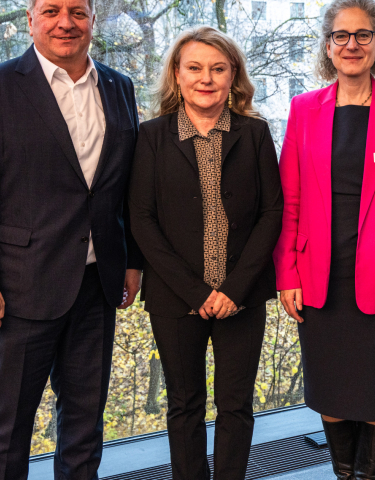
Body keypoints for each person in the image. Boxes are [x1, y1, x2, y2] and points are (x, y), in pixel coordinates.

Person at [0, 0, 143, 479]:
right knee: (8, 428)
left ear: (93, 19)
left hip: (97, 286)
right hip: (20, 289)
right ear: (30, 20)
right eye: (51, 12)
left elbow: (126, 187)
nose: (65, 23)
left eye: (77, 12)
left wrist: (132, 260)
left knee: (84, 426)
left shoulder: (119, 88)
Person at [274, 0, 375, 480]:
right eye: (341, 35)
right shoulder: (303, 109)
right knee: (333, 394)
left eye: (363, 35)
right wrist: (287, 273)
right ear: (328, 45)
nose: (352, 45)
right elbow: (289, 200)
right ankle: (346, 476)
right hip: (320, 275)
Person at [128, 26, 282, 480]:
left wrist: (235, 289)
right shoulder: (151, 136)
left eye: (218, 69)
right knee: (184, 404)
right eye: (194, 68)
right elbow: (141, 220)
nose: (206, 79)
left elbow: (272, 212)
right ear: (177, 75)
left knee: (236, 405)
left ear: (233, 76)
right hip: (176, 298)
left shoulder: (255, 133)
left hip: (242, 297)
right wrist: (196, 293)